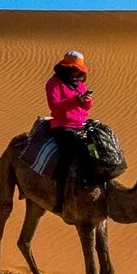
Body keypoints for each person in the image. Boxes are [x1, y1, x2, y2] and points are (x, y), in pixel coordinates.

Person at [42, 51, 117, 185]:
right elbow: (54, 106)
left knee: (100, 146)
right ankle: (61, 187)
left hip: (81, 124)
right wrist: (77, 100)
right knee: (73, 150)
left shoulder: (80, 84)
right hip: (63, 125)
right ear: (67, 68)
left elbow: (87, 107)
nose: (77, 73)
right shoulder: (54, 83)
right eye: (75, 69)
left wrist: (86, 100)